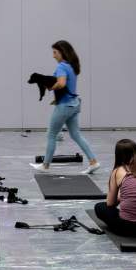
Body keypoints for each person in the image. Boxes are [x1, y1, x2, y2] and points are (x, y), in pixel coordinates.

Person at [30, 40, 99, 174]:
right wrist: (57, 99)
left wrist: (50, 87)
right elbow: (68, 87)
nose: (53, 55)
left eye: (55, 52)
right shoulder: (72, 66)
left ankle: (45, 165)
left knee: (51, 134)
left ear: (62, 52)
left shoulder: (61, 67)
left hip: (65, 106)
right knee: (76, 134)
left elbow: (61, 84)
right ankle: (93, 162)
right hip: (74, 104)